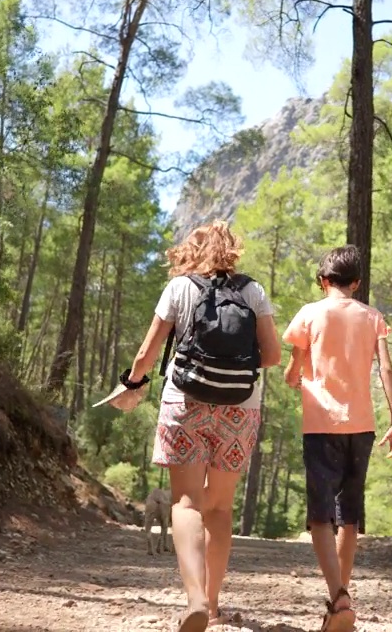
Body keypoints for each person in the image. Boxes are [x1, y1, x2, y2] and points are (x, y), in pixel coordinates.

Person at [110, 221, 282, 632]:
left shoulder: (180, 288)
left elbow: (147, 353)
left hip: (185, 401)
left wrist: (132, 384)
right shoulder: (252, 291)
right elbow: (273, 356)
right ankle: (216, 603)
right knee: (219, 507)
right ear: (233, 252)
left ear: (190, 251)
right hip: (240, 407)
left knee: (185, 502)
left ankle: (195, 600)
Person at [282, 244, 392, 632]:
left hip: (321, 426)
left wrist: (302, 378)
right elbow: (385, 368)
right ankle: (340, 602)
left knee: (320, 518)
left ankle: (339, 598)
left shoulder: (308, 315)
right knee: (348, 518)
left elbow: (292, 375)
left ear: (323, 281)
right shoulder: (373, 318)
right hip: (363, 427)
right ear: (356, 283)